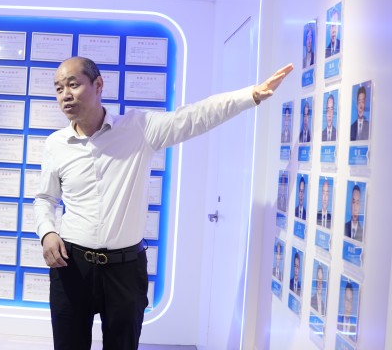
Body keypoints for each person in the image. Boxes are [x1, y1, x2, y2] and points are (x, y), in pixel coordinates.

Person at [34, 56, 294, 349]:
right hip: (72, 265)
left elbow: (194, 117)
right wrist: (47, 232)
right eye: (59, 88)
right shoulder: (56, 144)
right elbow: (45, 198)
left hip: (124, 270)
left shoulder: (137, 128)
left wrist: (250, 96)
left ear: (98, 85)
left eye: (73, 84)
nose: (65, 95)